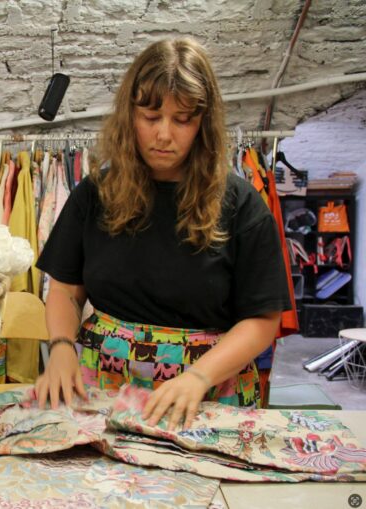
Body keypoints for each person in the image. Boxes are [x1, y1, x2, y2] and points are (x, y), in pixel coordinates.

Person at [35, 38, 291, 430]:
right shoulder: (95, 194)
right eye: (151, 117)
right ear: (129, 115)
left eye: (182, 119)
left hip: (205, 391)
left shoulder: (242, 207)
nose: (164, 135)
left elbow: (262, 320)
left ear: (203, 123)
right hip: (100, 388)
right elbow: (67, 291)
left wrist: (198, 377)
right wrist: (61, 347)